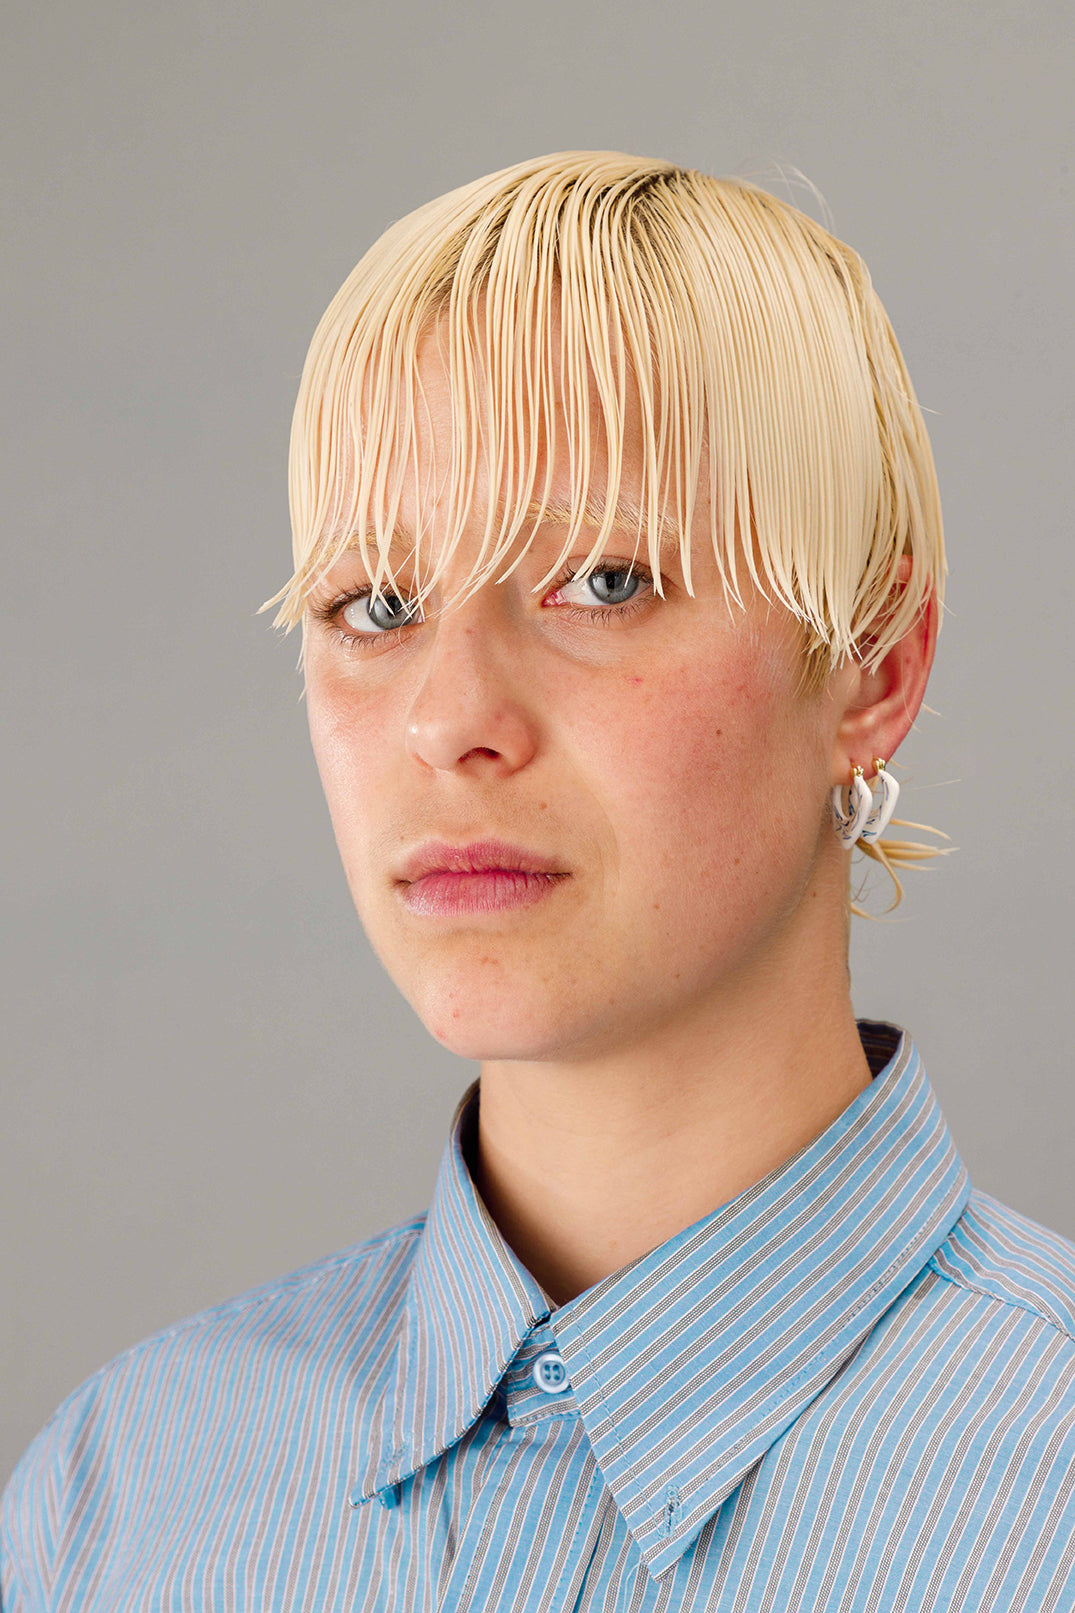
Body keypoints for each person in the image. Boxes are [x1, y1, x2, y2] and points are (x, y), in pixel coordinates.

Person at [4, 150, 1074, 1612]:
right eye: (373, 605)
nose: (448, 719)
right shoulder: (118, 1493)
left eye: (606, 580)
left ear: (874, 669)